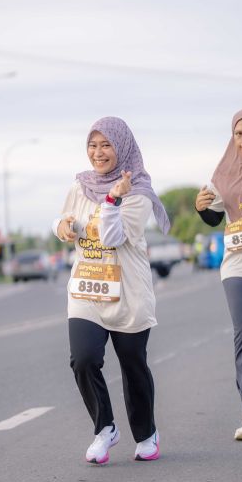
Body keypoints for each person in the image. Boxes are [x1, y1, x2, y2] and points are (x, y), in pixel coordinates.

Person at [53, 116, 170, 464]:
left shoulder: (138, 192)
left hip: (128, 294)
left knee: (133, 365)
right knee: (83, 359)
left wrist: (112, 201)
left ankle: (146, 433)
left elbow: (112, 237)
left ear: (122, 147)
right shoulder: (80, 186)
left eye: (106, 145)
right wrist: (61, 226)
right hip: (87, 290)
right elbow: (63, 219)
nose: (98, 152)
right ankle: (104, 428)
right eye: (92, 145)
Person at [195, 108, 242, 442]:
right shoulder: (223, 173)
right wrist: (201, 207)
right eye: (239, 134)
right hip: (237, 264)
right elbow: (213, 216)